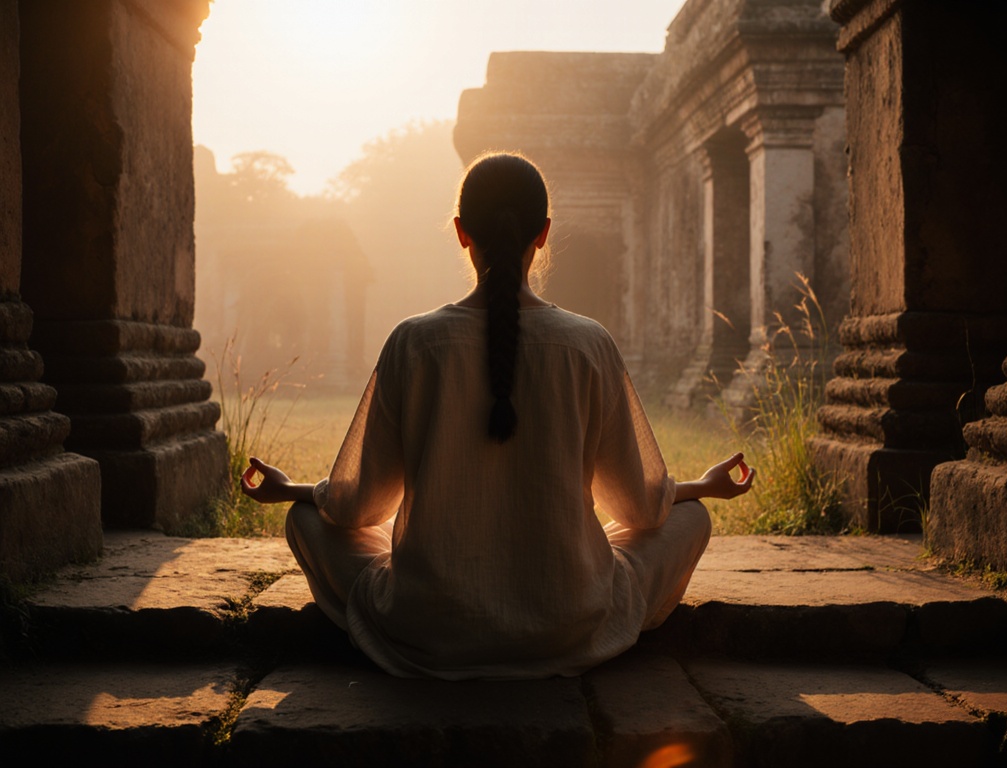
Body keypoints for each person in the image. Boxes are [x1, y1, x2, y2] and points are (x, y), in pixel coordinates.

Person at [240, 151, 755, 680]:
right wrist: (701, 487)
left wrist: (293, 491)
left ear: (462, 232)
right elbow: (643, 510)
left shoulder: (414, 343)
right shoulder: (588, 345)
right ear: (544, 233)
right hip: (570, 620)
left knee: (307, 521)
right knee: (691, 518)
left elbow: (356, 508)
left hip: (430, 627)